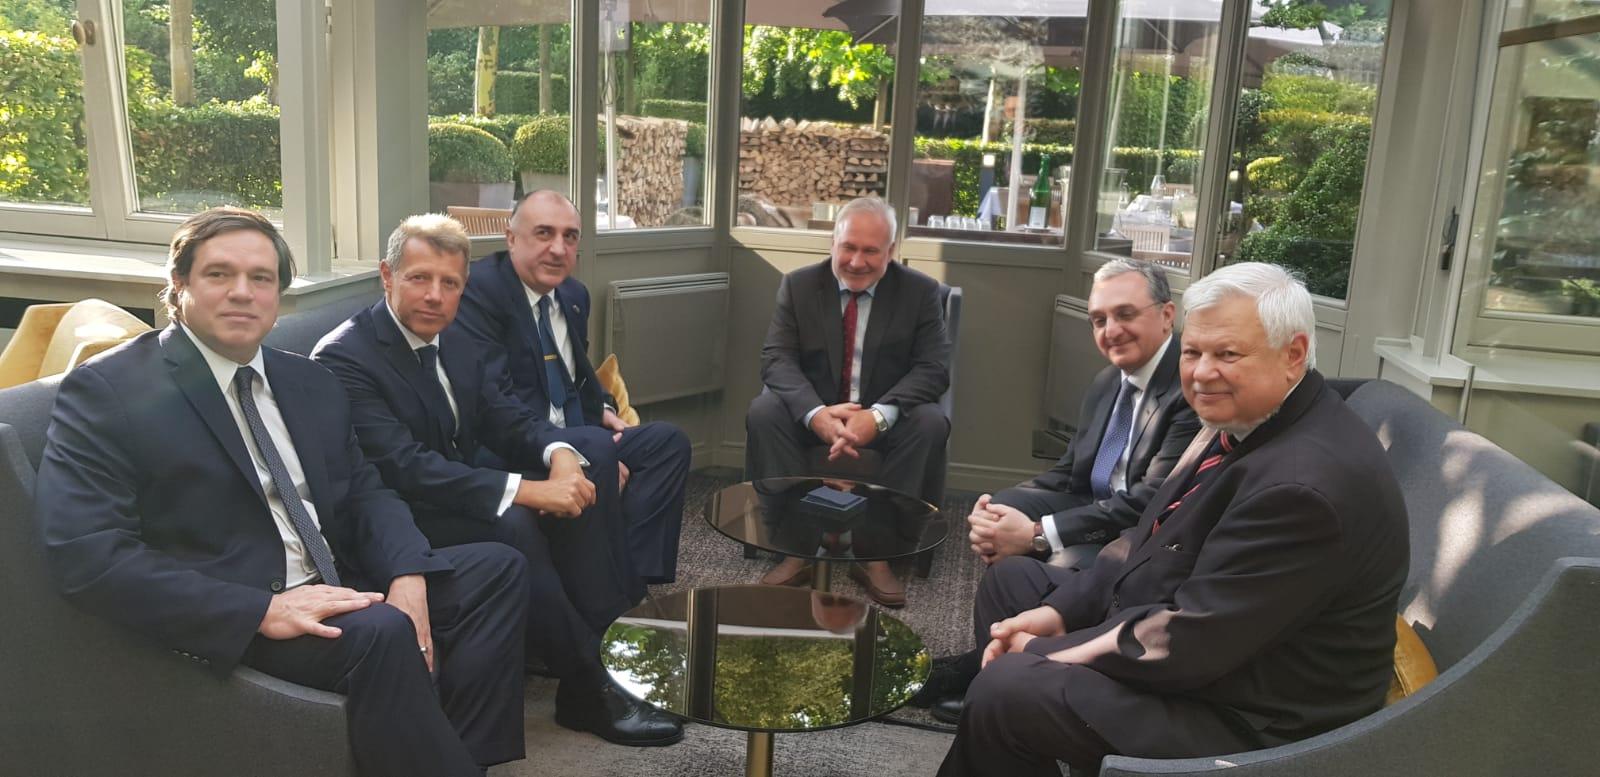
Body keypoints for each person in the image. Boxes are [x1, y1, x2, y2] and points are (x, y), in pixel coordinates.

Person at [35, 207, 528, 777]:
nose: (242, 292)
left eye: (261, 278)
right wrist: (261, 610)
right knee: (382, 631)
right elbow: (87, 556)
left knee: (496, 570)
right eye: (219, 274)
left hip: (335, 576)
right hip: (241, 608)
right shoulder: (109, 391)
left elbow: (364, 490)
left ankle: (463, 757)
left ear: (277, 294)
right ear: (179, 284)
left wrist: (407, 571)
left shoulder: (307, 380)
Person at [937, 262, 1409, 776]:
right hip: (1208, 645)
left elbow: (1187, 643)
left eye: (1227, 354)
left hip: (1252, 717)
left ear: (1293, 354)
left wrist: (1045, 649)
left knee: (1006, 690)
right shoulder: (1243, 415)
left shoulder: (1301, 489)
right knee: (1013, 584)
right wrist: (1059, 613)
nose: (1202, 373)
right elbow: (1144, 538)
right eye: (1193, 352)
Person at [311, 214, 683, 747]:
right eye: (419, 278)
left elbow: (503, 414)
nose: (435, 295)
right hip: (394, 517)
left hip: (455, 493)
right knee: (515, 523)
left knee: (584, 467)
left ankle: (612, 645)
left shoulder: (455, 339)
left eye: (450, 283)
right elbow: (404, 466)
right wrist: (526, 490)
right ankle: (586, 683)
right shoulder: (345, 356)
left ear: (464, 287)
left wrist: (559, 452)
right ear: (387, 277)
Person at [918, 259, 1201, 721]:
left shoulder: (1187, 390)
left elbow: (1150, 501)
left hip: (1139, 533)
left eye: (1125, 314)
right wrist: (996, 512)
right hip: (1094, 501)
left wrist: (1037, 533)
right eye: (1099, 319)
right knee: (1004, 510)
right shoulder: (1108, 381)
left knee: (1039, 553)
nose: (1111, 330)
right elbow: (1069, 472)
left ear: (1167, 315)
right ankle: (998, 650)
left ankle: (992, 675)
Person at [454, 190, 689, 584]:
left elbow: (575, 374)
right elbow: (493, 404)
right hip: (514, 446)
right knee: (597, 450)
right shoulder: (478, 294)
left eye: (570, 236)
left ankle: (638, 578)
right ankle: (607, 591)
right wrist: (586, 450)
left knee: (668, 443)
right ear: (511, 238)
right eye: (544, 233)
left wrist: (604, 409)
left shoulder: (573, 294)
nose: (558, 248)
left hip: (579, 432)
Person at [745, 196, 951, 607]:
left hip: (887, 421)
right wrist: (816, 415)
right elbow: (776, 358)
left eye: (870, 250)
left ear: (891, 251)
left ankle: (876, 555)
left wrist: (878, 417)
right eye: (848, 247)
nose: (857, 262)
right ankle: (796, 549)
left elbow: (933, 368)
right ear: (833, 244)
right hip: (816, 415)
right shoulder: (799, 286)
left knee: (930, 423)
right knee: (764, 411)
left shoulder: (920, 292)